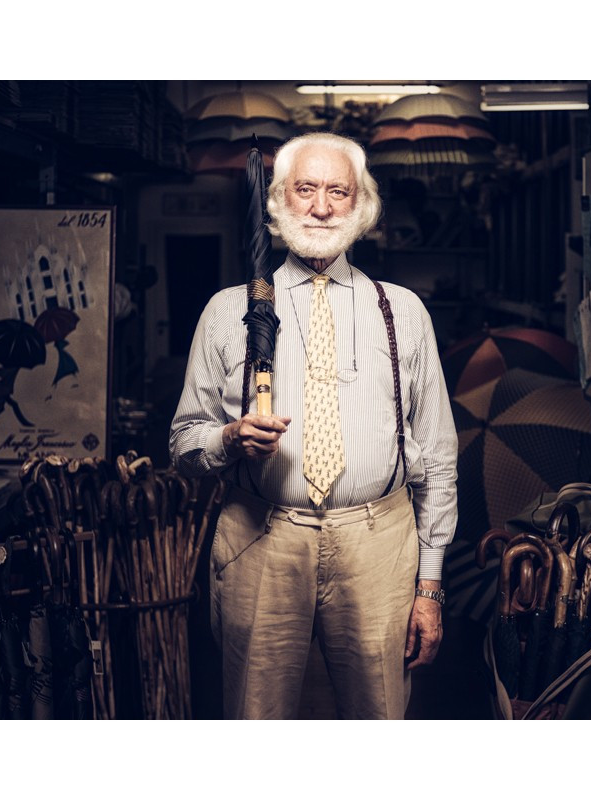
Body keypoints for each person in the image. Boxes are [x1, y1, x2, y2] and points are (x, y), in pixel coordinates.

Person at [169, 132, 458, 720]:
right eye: (305, 189)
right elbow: (182, 443)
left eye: (338, 192)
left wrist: (429, 586)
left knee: (377, 716)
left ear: (362, 206)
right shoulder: (228, 311)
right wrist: (228, 440)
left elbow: (437, 454)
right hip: (261, 538)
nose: (321, 208)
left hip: (380, 542)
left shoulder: (403, 311)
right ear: (278, 201)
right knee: (258, 714)